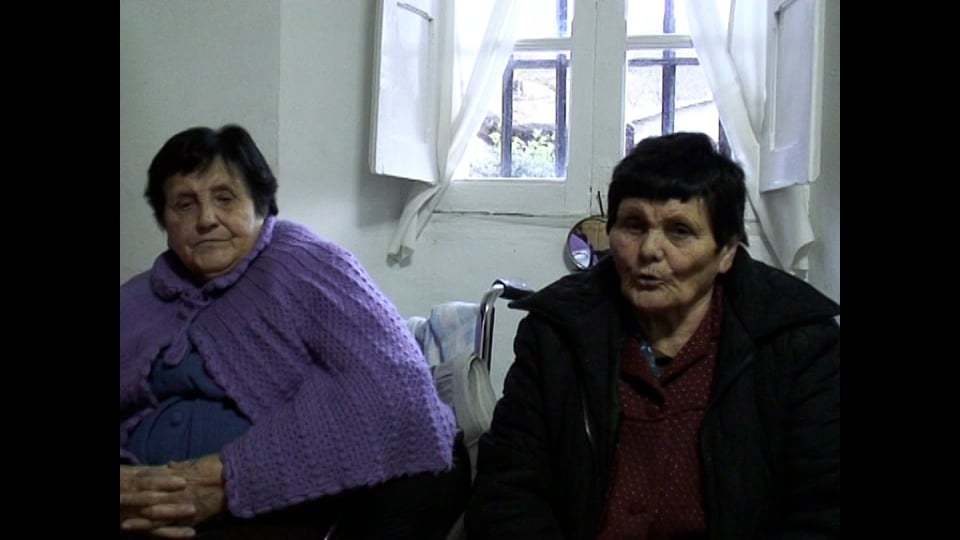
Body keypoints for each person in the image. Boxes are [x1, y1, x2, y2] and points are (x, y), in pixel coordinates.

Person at [466, 132, 840, 539]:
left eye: (680, 231)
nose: (649, 250)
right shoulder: (558, 333)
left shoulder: (797, 342)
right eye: (633, 225)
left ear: (727, 252)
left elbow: (823, 508)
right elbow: (507, 491)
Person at [120, 124, 465, 538]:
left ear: (261, 204)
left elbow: (397, 391)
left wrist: (228, 479)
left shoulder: (311, 266)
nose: (206, 219)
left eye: (225, 198)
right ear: (164, 219)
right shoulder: (138, 298)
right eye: (184, 204)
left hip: (290, 501)